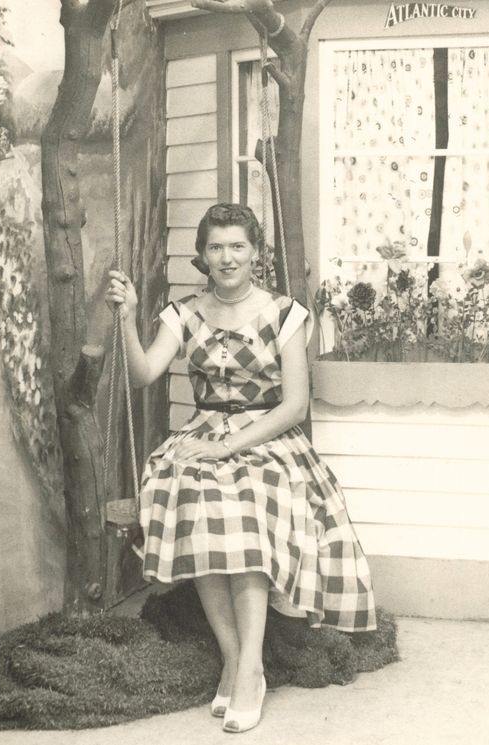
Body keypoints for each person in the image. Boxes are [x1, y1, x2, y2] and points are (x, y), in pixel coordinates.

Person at [105, 203, 375, 733]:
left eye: (237, 247)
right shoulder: (182, 313)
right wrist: (128, 316)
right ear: (202, 255)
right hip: (204, 432)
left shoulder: (285, 313)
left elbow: (294, 405)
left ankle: (250, 668)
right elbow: (143, 374)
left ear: (255, 253)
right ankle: (235, 659)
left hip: (268, 437)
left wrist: (230, 449)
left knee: (246, 509)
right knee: (193, 495)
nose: (227, 258)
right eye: (215, 247)